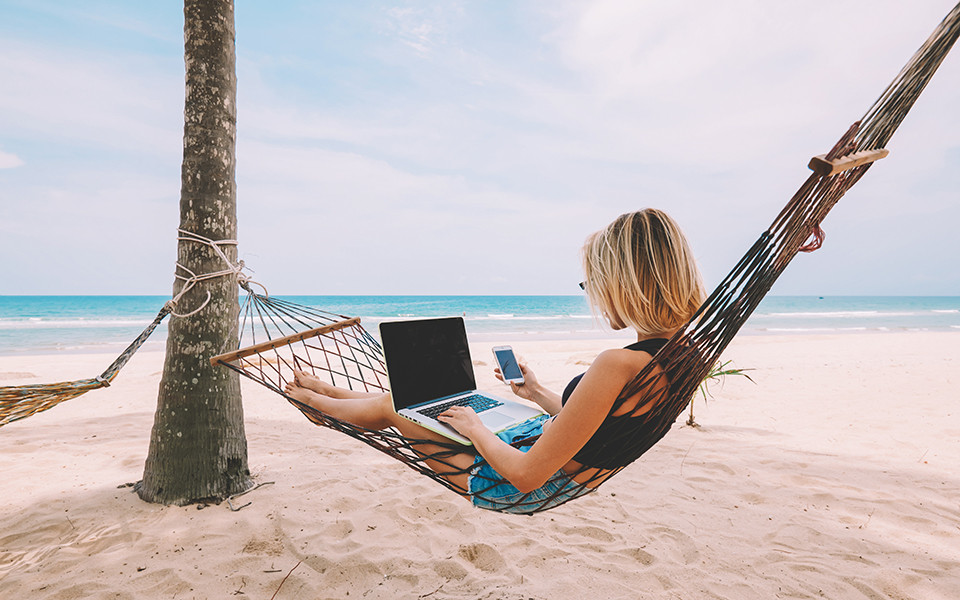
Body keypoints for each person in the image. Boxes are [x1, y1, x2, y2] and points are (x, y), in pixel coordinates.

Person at [284, 209, 705, 513]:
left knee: (399, 407)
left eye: (592, 282)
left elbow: (526, 477)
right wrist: (536, 392)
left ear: (623, 282)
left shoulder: (618, 364)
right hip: (546, 449)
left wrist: (476, 429)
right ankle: (330, 393)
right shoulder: (683, 357)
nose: (591, 292)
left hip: (513, 481)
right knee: (423, 398)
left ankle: (317, 406)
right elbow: (602, 427)